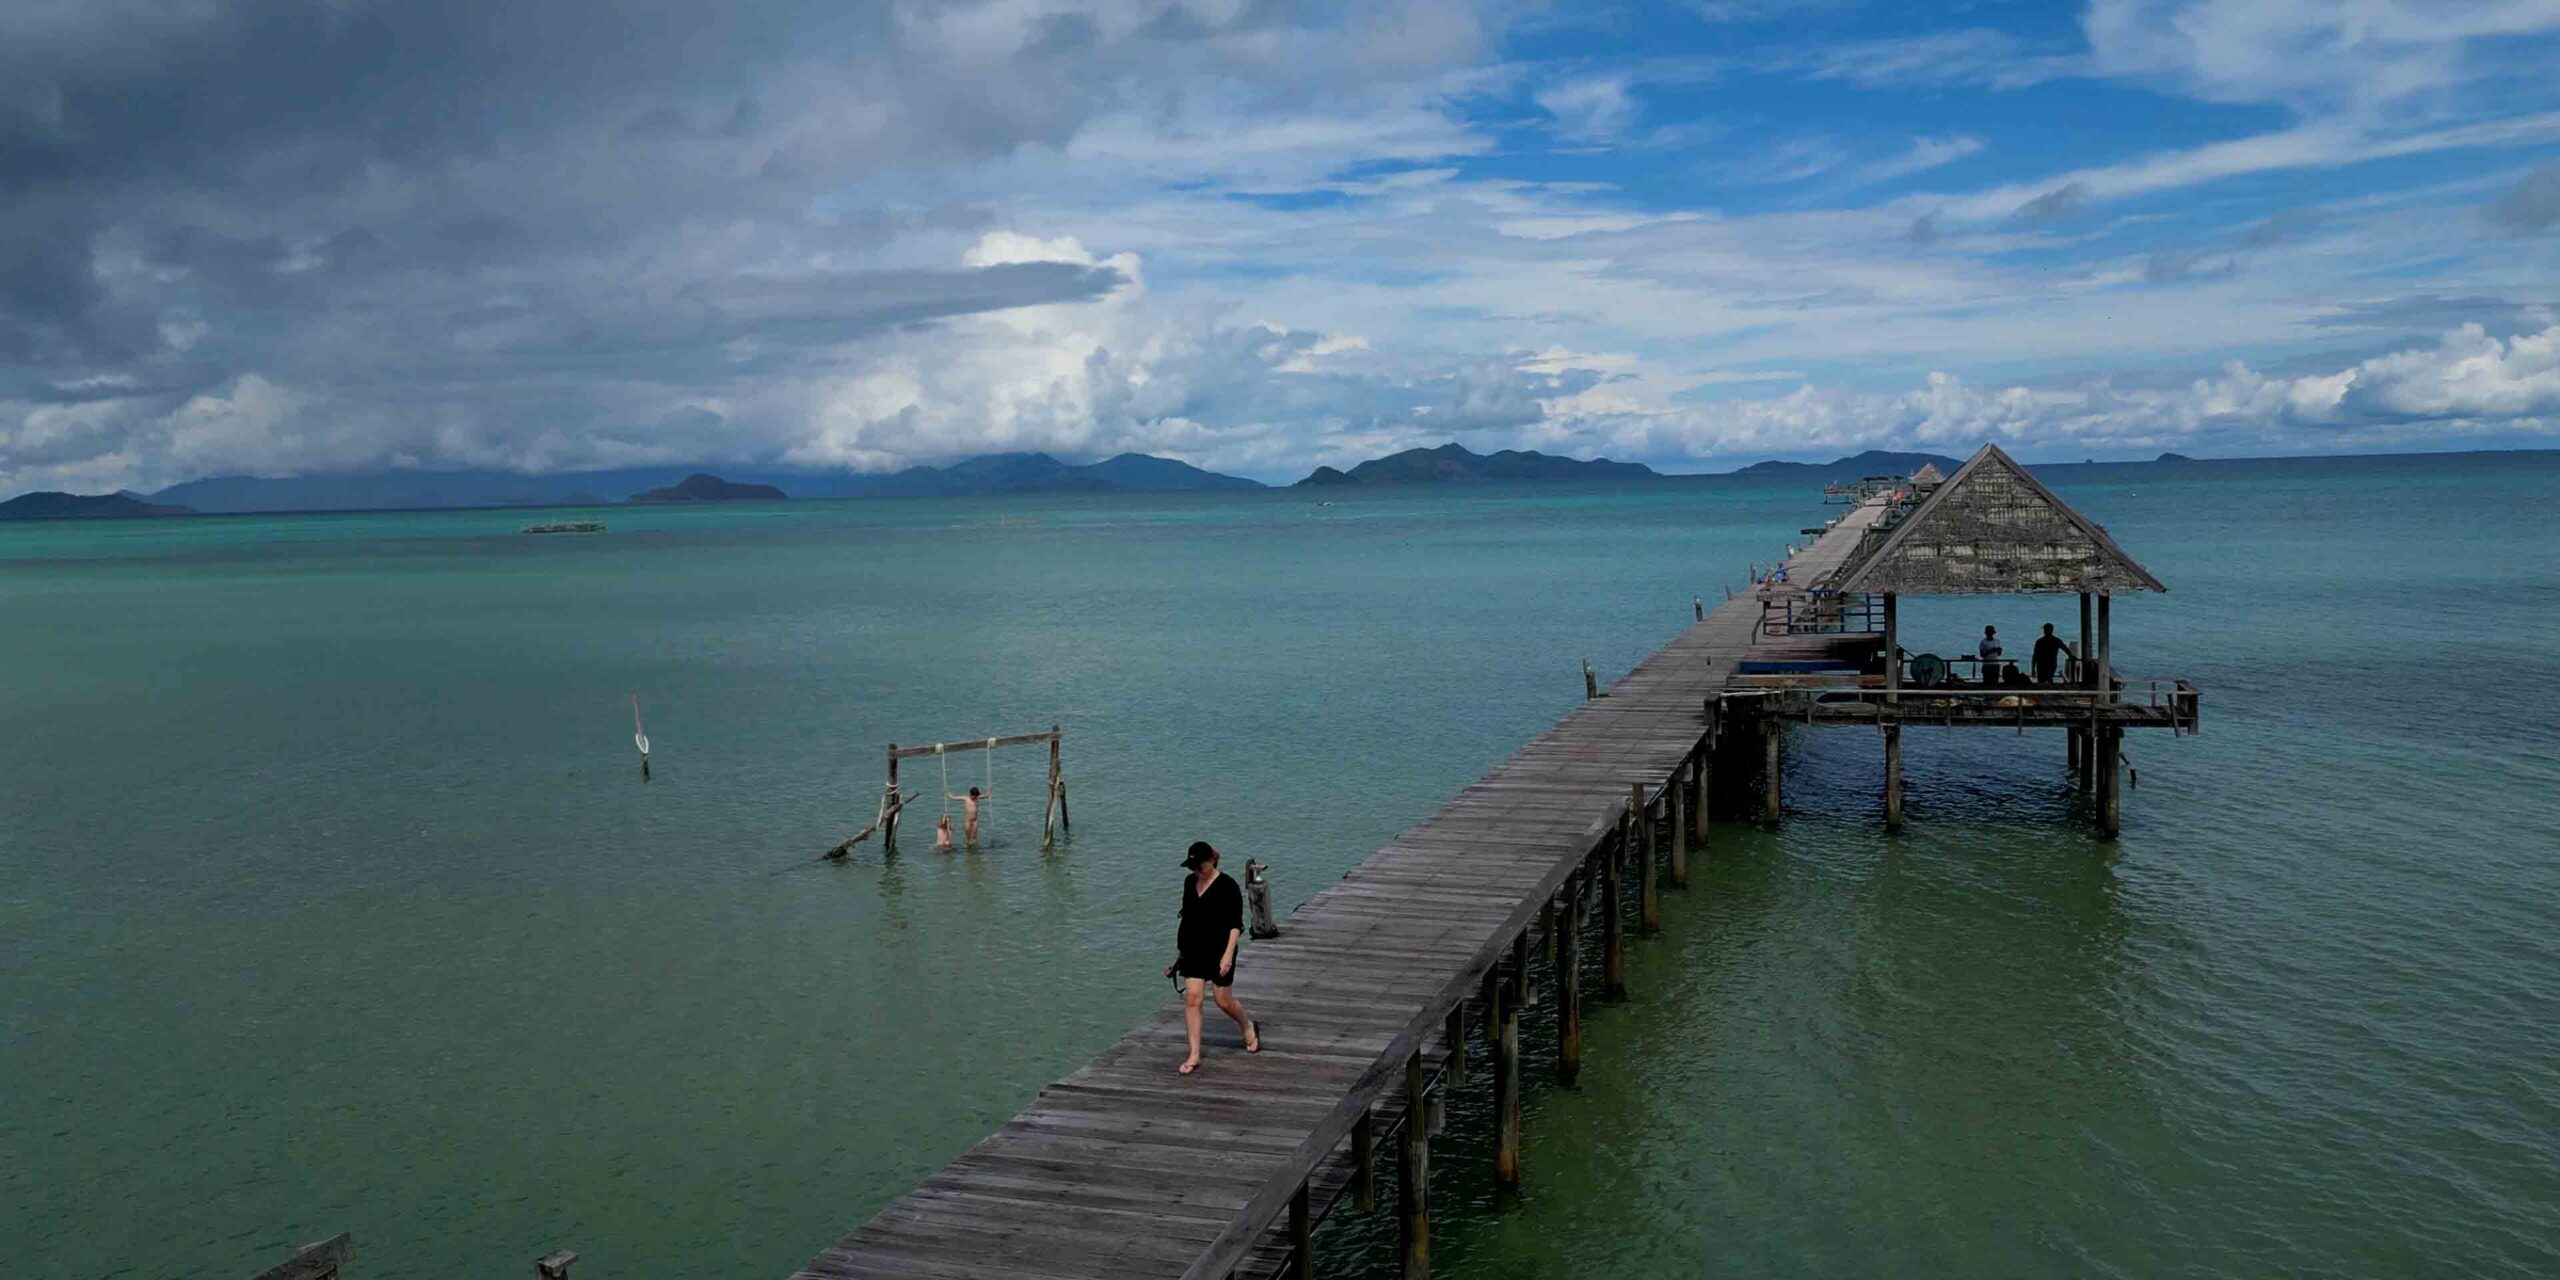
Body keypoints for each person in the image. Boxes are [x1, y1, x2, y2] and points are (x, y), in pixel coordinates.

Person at [1171, 841, 1258, 1075]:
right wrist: (1178, 955)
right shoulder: (1190, 882)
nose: (1195, 871)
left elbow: (1235, 925)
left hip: (1220, 950)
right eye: (1192, 867)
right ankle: (1194, 1054)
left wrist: (1227, 956)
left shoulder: (1227, 886)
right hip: (1192, 949)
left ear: (1210, 861)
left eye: (1198, 866)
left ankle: (1246, 1025)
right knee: (1192, 998)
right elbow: (1187, 918)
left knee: (1223, 1001)